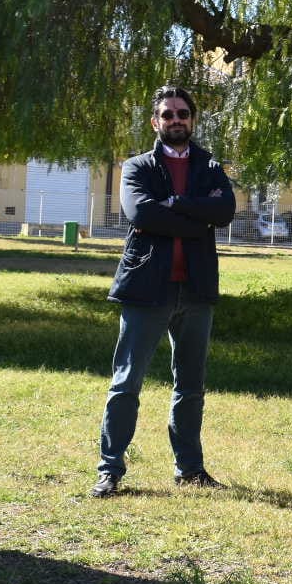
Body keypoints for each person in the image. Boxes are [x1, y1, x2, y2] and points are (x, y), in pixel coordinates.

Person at [91, 86, 235, 497]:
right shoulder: (136, 166)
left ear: (192, 119)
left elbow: (224, 211)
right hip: (146, 289)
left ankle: (190, 470)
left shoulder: (209, 165)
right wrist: (195, 215)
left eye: (183, 113)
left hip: (196, 289)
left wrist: (172, 204)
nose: (176, 120)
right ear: (156, 122)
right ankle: (110, 469)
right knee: (126, 384)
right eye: (168, 114)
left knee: (191, 386)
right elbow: (141, 213)